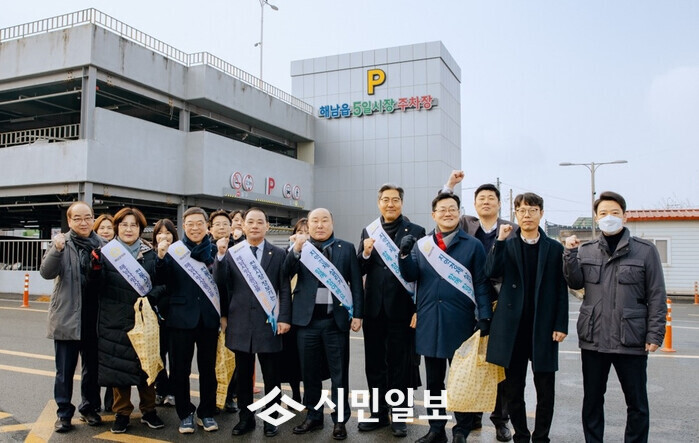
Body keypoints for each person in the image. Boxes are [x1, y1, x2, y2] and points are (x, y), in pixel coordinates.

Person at [563, 191, 667, 443]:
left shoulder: (645, 251)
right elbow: (574, 282)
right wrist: (569, 254)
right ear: (596, 218)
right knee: (592, 400)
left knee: (637, 402)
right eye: (603, 213)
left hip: (630, 338)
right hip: (594, 338)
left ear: (625, 216)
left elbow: (656, 295)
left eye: (614, 213)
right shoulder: (586, 250)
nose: (609, 217)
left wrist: (655, 334)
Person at [399, 193, 492, 443]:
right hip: (430, 320)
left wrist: (485, 316)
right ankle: (436, 429)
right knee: (434, 382)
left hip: (461, 322)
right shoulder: (423, 245)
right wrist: (404, 255)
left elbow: (481, 283)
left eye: (452, 209)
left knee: (462, 379)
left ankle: (461, 429)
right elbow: (410, 276)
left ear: (459, 213)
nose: (447, 213)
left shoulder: (473, 245)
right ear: (434, 215)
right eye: (442, 209)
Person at [485, 193, 569, 443]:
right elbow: (490, 271)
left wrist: (561, 324)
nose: (527, 215)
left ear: (541, 213)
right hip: (512, 327)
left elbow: (561, 289)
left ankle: (541, 437)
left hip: (543, 326)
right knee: (513, 388)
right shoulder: (508, 244)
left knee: (545, 388)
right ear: (516, 214)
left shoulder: (554, 248)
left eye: (532, 210)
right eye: (521, 211)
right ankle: (521, 435)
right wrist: (500, 241)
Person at [442, 170, 515, 441]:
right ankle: (472, 416)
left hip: (501, 304)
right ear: (474, 204)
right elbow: (444, 208)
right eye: (481, 198)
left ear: (499, 204)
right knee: (470, 361)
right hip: (468, 302)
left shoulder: (512, 229)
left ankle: (500, 420)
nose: (486, 202)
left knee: (499, 364)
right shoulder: (466, 224)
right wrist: (450, 185)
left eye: (491, 198)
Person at [283, 208, 364, 441]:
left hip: (335, 321)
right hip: (306, 322)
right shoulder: (301, 247)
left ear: (332, 223)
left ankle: (340, 420)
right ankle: (314, 416)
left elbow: (356, 283)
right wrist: (296, 249)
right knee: (310, 374)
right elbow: (285, 273)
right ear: (308, 225)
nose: (320, 225)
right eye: (315, 221)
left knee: (339, 375)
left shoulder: (346, 248)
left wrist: (358, 314)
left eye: (324, 220)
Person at [215, 207, 291, 438]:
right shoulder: (233, 253)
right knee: (244, 376)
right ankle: (245, 418)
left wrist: (284, 318)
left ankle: (271, 419)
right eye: (251, 222)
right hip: (240, 322)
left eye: (260, 222)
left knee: (272, 376)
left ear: (267, 226)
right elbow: (222, 285)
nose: (255, 226)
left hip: (269, 322)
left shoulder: (279, 254)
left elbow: (284, 288)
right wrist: (220, 256)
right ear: (243, 226)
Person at [90, 207, 167, 434]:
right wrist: (95, 267)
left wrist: (151, 297)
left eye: (134, 225)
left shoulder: (151, 254)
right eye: (124, 225)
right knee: (118, 367)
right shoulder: (106, 253)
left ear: (141, 229)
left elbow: (163, 283)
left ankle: (149, 410)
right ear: (117, 228)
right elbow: (95, 286)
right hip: (114, 317)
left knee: (146, 365)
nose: (129, 229)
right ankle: (122, 413)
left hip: (144, 318)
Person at [358, 183, 425, 437]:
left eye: (395, 200)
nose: (390, 204)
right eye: (385, 200)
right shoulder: (369, 230)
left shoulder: (416, 231)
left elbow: (421, 273)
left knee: (399, 365)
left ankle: (398, 415)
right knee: (374, 364)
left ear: (401, 203)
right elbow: (359, 268)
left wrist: (418, 309)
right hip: (374, 309)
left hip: (402, 309)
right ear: (379, 203)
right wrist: (365, 254)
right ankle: (378, 413)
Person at [155, 207, 221, 434]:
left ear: (207, 226)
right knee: (179, 370)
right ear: (184, 226)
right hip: (180, 318)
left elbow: (223, 284)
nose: (195, 228)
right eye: (190, 224)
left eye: (199, 223)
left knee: (208, 370)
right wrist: (160, 258)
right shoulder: (174, 250)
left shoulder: (216, 250)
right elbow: (161, 280)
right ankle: (185, 414)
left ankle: (206, 412)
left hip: (208, 318)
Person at [39, 201, 104, 433]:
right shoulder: (61, 243)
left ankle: (89, 408)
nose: (83, 222)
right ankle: (64, 413)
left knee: (92, 369)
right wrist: (56, 250)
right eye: (77, 218)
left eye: (87, 217)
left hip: (95, 318)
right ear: (69, 221)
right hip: (67, 317)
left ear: (93, 218)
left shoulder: (104, 245)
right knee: (64, 371)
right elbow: (46, 272)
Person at [279, 217, 308, 404]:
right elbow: (284, 272)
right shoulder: (286, 253)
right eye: (300, 232)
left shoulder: (319, 254)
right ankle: (296, 393)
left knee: (307, 358)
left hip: (307, 314)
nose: (303, 236)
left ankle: (309, 395)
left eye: (307, 232)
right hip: (289, 312)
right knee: (290, 358)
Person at [152, 218, 177, 408]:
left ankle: (173, 391)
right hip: (156, 313)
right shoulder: (150, 255)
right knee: (158, 354)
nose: (164, 236)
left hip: (176, 312)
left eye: (168, 233)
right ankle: (161, 389)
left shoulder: (181, 254)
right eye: (160, 233)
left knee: (176, 355)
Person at [92, 213, 116, 413]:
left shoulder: (120, 252)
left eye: (110, 228)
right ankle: (91, 403)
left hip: (114, 314)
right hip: (94, 312)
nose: (106, 231)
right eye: (102, 228)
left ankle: (112, 401)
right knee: (93, 362)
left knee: (113, 360)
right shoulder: (93, 250)